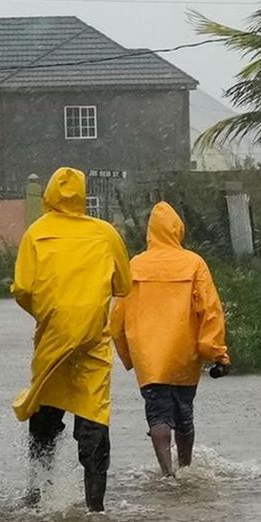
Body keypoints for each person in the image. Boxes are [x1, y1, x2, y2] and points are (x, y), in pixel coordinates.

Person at [11, 167, 132, 512]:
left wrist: (47, 312)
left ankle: (38, 495)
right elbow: (124, 286)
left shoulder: (36, 233)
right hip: (94, 338)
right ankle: (95, 504)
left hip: (52, 335)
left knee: (45, 408)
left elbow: (22, 289)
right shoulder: (105, 233)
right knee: (94, 412)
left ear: (48, 193)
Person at [111, 201, 230, 477]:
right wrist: (216, 353)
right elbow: (210, 311)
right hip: (184, 355)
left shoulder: (136, 265)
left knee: (157, 413)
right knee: (184, 413)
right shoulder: (194, 263)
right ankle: (186, 467)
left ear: (150, 232)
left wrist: (130, 357)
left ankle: (167, 473)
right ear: (178, 230)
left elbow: (116, 319)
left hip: (149, 358)